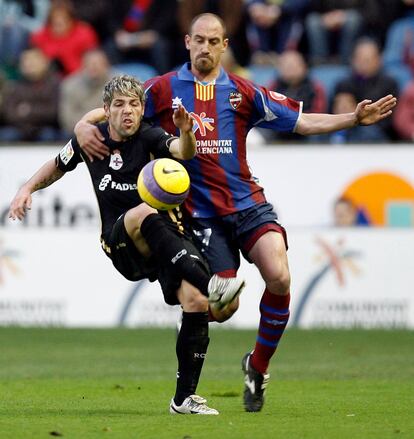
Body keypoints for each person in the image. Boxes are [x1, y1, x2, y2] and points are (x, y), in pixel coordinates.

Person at [73, 14, 397, 413]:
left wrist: (353, 118)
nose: (206, 48)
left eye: (214, 41)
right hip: (200, 218)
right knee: (222, 310)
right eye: (200, 41)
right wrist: (82, 124)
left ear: (225, 45)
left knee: (278, 273)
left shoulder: (242, 92)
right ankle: (194, 360)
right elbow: (121, 107)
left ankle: (257, 368)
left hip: (247, 204)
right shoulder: (161, 88)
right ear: (188, 42)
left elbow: (301, 121)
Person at [8, 75, 245, 415]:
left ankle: (183, 399)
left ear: (142, 108)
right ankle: (213, 285)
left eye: (134, 104)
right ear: (105, 110)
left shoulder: (150, 136)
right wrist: (26, 188)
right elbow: (58, 165)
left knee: (200, 304)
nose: (128, 111)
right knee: (144, 211)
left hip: (167, 237)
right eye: (119, 105)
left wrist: (186, 130)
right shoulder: (92, 139)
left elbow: (182, 151)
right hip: (122, 242)